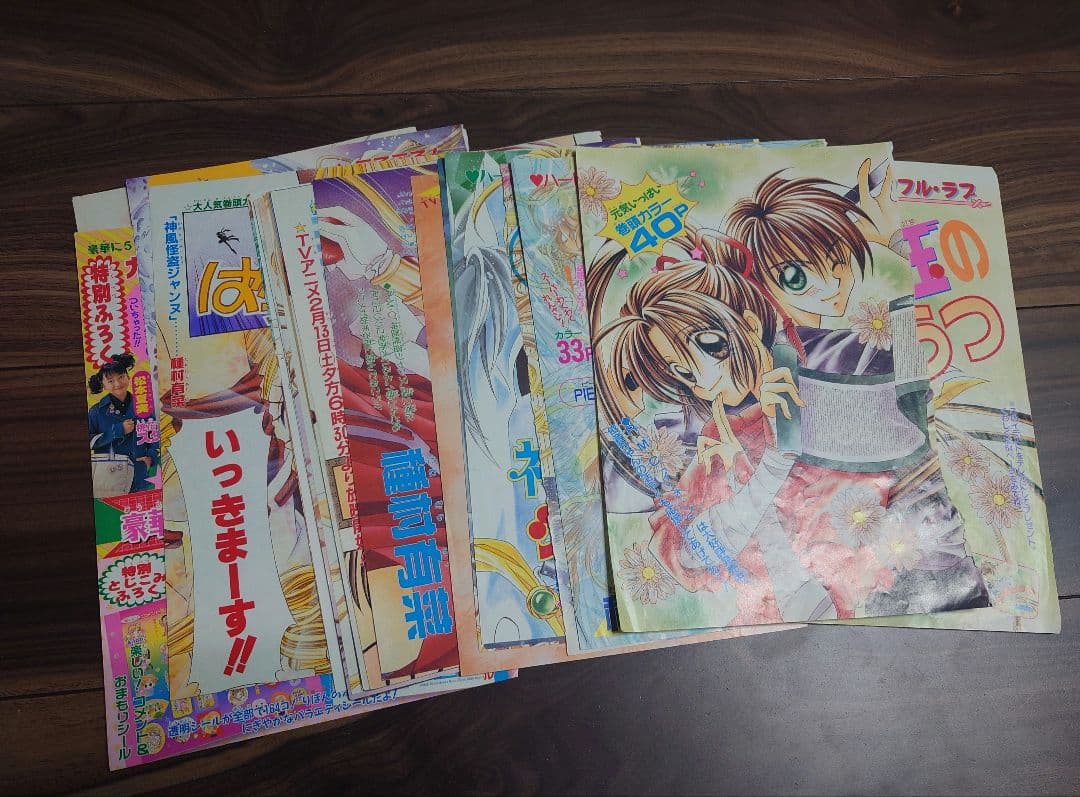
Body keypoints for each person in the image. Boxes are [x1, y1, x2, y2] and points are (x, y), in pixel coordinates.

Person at [87, 352, 158, 493]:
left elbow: (154, 437)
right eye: (110, 381)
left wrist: (150, 458)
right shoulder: (95, 412)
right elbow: (90, 442)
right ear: (103, 384)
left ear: (128, 377)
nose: (118, 384)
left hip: (140, 476)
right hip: (110, 478)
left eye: (121, 377)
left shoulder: (144, 406)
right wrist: (117, 430)